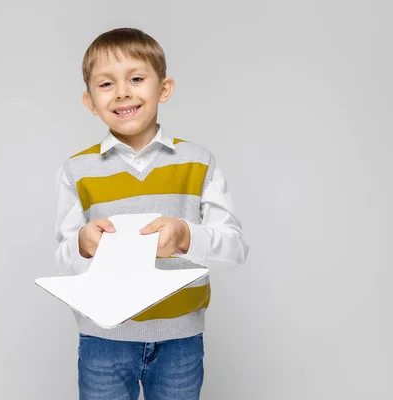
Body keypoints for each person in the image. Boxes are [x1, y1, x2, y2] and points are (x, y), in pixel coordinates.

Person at [54, 27, 249, 400]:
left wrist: (185, 237)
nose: (123, 92)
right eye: (106, 84)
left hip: (181, 340)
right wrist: (82, 244)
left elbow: (235, 249)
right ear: (90, 101)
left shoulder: (198, 162)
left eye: (137, 79)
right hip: (103, 340)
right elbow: (64, 257)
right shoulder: (76, 171)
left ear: (164, 89)